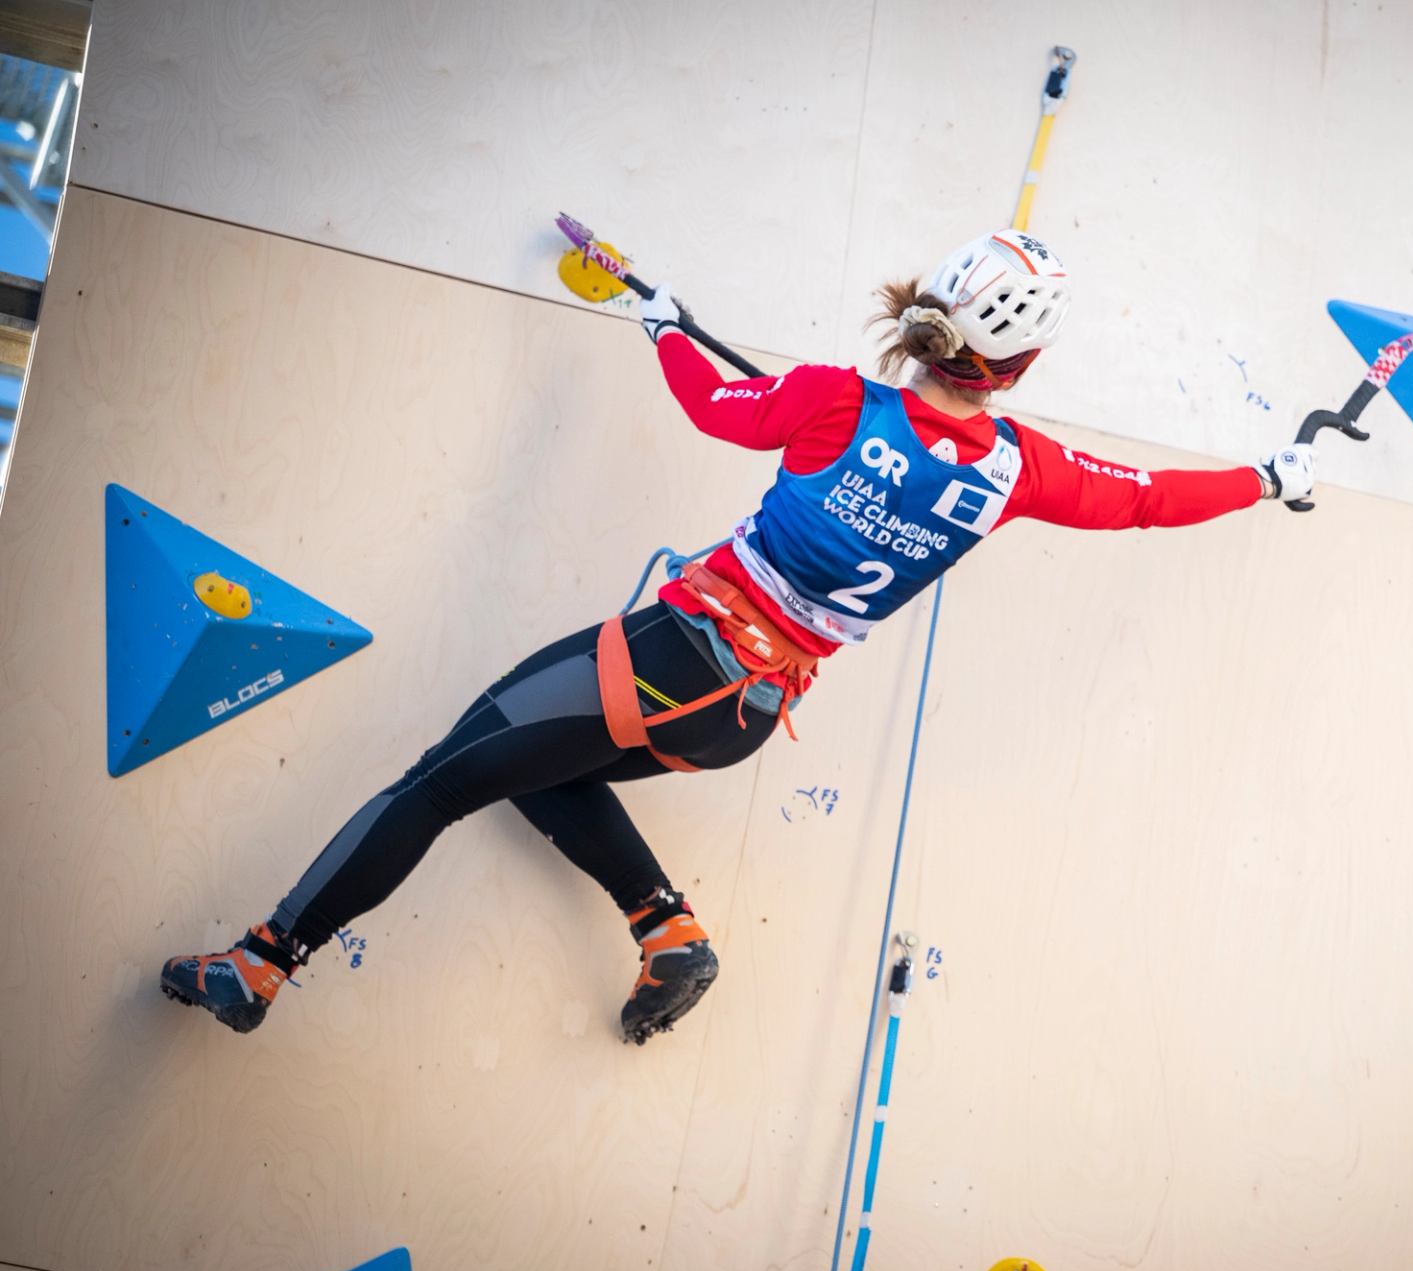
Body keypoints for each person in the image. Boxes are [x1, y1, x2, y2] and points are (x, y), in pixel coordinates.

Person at [159, 230, 1317, 1042]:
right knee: (532, 771)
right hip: (748, 713)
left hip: (679, 653)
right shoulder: (1022, 470)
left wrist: (663, 324)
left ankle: (260, 962)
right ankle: (672, 934)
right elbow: (1152, 496)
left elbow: (712, 404)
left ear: (927, 321)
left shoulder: (831, 399)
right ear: (1018, 366)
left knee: (436, 779)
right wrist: (1271, 475)